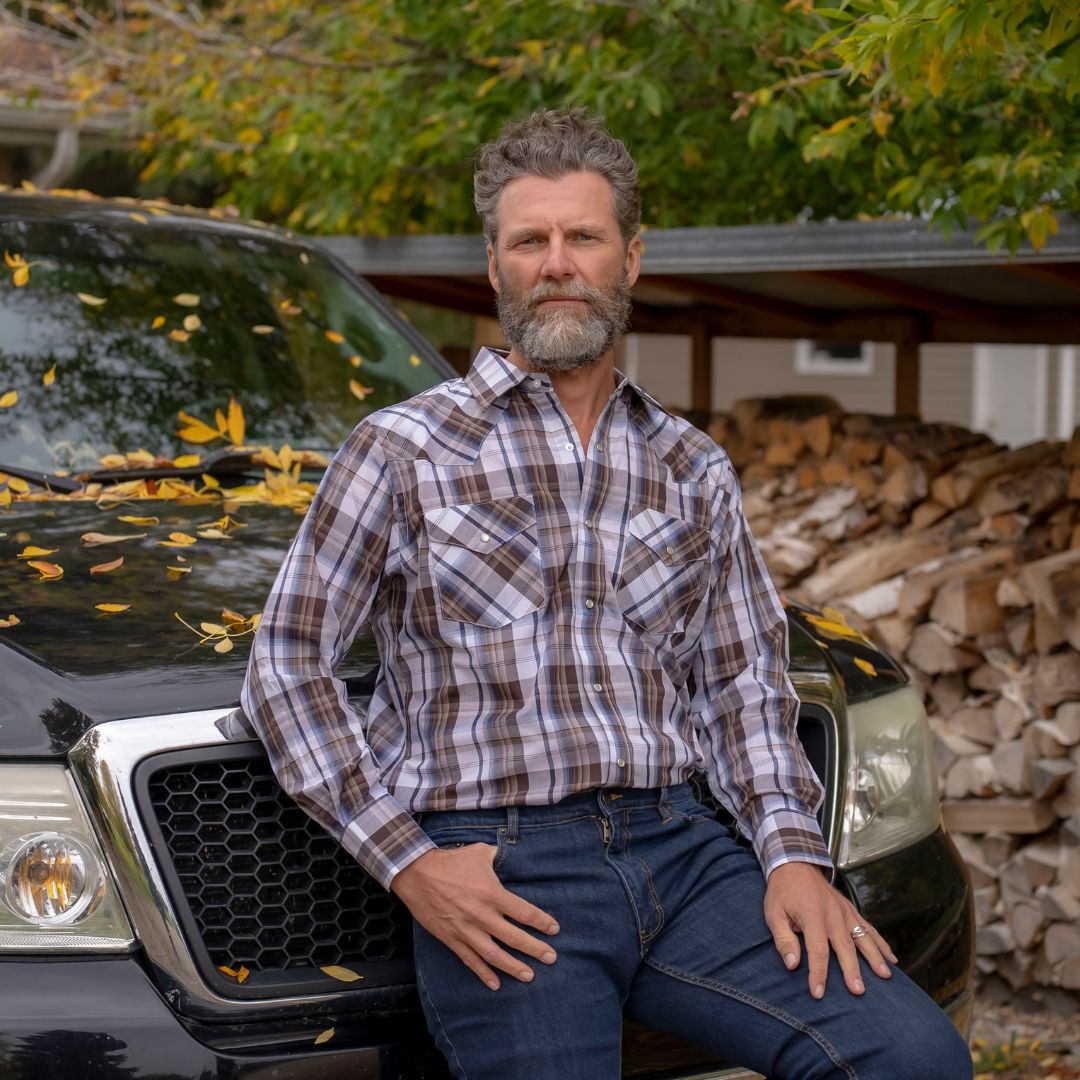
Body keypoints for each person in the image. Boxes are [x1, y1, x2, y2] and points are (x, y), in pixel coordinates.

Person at [229, 108, 973, 1079]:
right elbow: (284, 664)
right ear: (494, 265)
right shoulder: (402, 450)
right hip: (502, 872)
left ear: (630, 258)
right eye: (529, 240)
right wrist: (408, 861)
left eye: (583, 236)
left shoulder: (688, 465)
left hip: (686, 848)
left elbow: (745, 684)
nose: (557, 262)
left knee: (912, 1059)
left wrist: (792, 857)